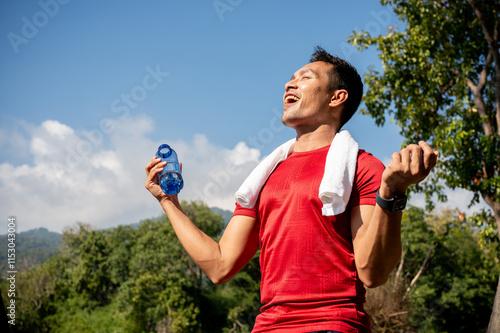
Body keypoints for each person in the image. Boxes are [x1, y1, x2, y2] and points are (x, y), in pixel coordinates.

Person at [145, 46, 438, 332]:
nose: (290, 83)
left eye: (306, 77)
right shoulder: (265, 177)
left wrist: (392, 192)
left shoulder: (362, 167)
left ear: (337, 97)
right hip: (267, 326)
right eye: (291, 77)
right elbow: (220, 266)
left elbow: (373, 273)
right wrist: (169, 202)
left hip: (332, 324)